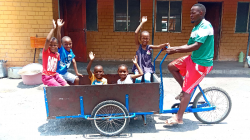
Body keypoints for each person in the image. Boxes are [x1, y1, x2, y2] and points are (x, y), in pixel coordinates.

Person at [165, 3, 214, 125]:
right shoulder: (195, 28)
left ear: (201, 13)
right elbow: (188, 45)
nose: (191, 15)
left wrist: (175, 50)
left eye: (194, 12)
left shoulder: (205, 26)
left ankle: (179, 118)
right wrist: (174, 48)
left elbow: (196, 46)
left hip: (202, 63)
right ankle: (185, 89)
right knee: (171, 66)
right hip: (193, 59)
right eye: (190, 12)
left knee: (188, 91)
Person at [132, 16, 168, 83]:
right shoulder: (138, 46)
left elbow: (158, 46)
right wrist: (142, 22)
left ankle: (147, 92)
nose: (144, 40)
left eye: (146, 38)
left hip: (147, 68)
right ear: (140, 39)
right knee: (138, 80)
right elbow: (136, 33)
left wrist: (165, 44)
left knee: (147, 80)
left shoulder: (149, 47)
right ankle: (137, 92)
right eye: (143, 38)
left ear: (149, 39)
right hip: (138, 67)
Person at [42, 20, 69, 87]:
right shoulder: (46, 52)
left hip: (55, 75)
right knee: (59, 88)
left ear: (57, 46)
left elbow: (59, 41)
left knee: (67, 86)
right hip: (47, 76)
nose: (52, 47)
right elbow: (48, 40)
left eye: (54, 45)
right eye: (51, 45)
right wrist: (53, 28)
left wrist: (59, 27)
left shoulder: (57, 54)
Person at [56, 19, 83, 85]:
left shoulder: (70, 52)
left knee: (76, 79)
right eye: (66, 44)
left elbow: (73, 61)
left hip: (65, 73)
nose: (68, 45)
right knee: (65, 85)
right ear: (62, 44)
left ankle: (76, 94)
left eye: (70, 43)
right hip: (57, 74)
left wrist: (77, 73)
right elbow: (59, 40)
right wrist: (59, 27)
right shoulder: (61, 50)